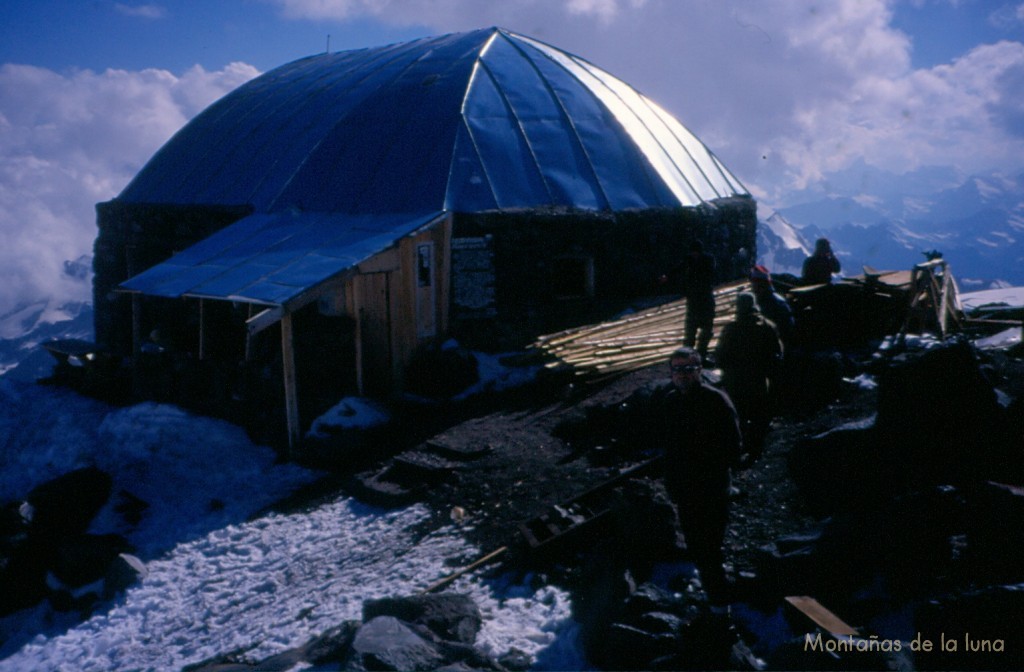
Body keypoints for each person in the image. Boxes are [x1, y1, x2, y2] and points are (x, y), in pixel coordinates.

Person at [625, 347, 742, 601]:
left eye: (688, 369)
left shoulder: (716, 401)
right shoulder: (671, 402)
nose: (682, 375)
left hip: (710, 489)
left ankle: (722, 609)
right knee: (697, 547)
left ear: (699, 370)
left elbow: (734, 446)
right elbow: (668, 447)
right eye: (677, 369)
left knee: (710, 548)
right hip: (684, 490)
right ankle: (716, 596)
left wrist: (708, 470)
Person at [715, 293, 783, 462]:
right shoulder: (768, 326)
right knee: (759, 416)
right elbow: (777, 355)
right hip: (758, 380)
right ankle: (755, 452)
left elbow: (720, 356)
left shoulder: (730, 329)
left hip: (734, 381)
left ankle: (736, 452)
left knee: (737, 417)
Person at [661, 240, 716, 361]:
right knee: (691, 329)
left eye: (696, 253)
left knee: (706, 329)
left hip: (705, 298)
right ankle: (687, 355)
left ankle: (702, 354)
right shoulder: (688, 259)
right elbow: (679, 267)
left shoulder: (708, 259)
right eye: (693, 253)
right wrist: (668, 275)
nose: (694, 255)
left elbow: (711, 275)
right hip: (693, 299)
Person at [749, 264, 795, 351]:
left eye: (757, 284)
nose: (754, 288)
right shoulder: (758, 301)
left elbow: (787, 330)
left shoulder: (778, 304)